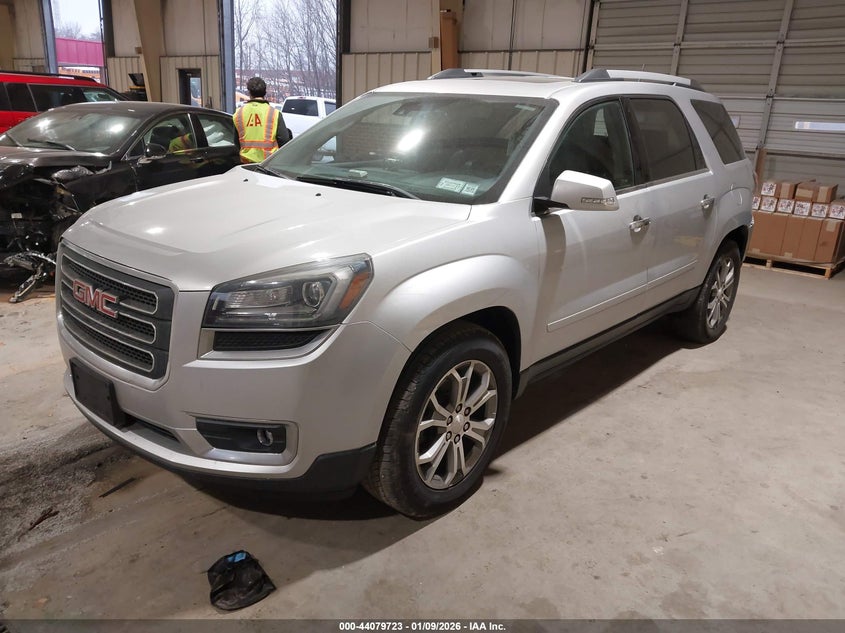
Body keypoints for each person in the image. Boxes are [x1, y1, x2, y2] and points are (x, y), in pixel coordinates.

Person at [233, 77, 288, 163]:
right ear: (265, 92)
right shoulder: (275, 113)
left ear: (249, 92)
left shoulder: (238, 114)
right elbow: (284, 140)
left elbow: (236, 141)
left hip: (245, 164)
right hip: (268, 164)